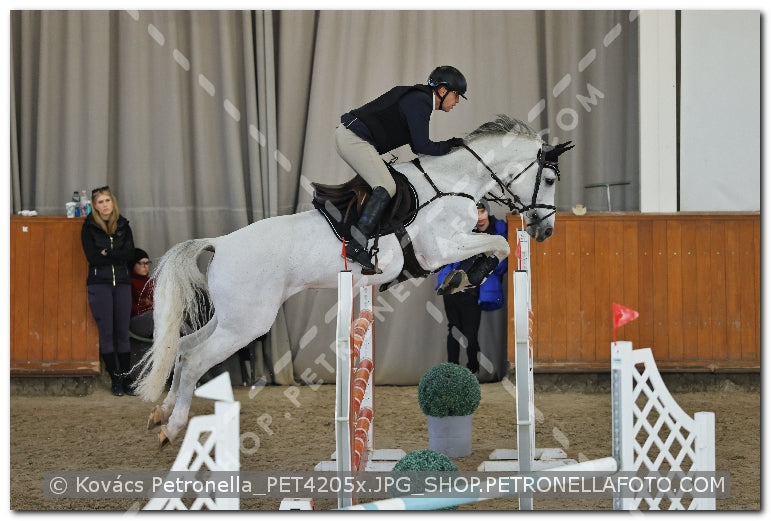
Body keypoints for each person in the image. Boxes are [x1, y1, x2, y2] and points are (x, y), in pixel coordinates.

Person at [336, 65, 468, 270]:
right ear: (442, 91)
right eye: (457, 95)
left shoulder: (421, 100)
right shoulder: (420, 101)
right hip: (354, 139)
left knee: (387, 183)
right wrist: (451, 145)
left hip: (354, 138)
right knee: (387, 186)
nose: (457, 101)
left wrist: (449, 146)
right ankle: (356, 244)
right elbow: (422, 147)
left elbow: (418, 147)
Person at [435, 200, 508, 374]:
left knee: (470, 333)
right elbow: (446, 256)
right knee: (453, 329)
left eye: (482, 212)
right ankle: (451, 373)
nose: (479, 217)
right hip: (453, 288)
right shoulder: (462, 231)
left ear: (487, 213)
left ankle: (472, 371)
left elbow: (502, 266)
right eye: (475, 213)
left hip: (474, 290)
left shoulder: (497, 234)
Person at [81, 186, 135, 396]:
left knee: (122, 332)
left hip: (122, 283)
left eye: (107, 201)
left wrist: (108, 252)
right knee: (107, 333)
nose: (104, 205)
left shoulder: (123, 225)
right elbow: (93, 257)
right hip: (99, 284)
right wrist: (116, 254)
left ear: (113, 203)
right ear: (94, 206)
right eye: (100, 202)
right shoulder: (89, 227)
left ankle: (125, 378)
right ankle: (115, 380)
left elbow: (129, 254)